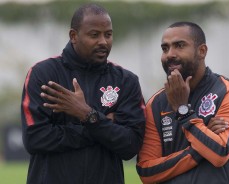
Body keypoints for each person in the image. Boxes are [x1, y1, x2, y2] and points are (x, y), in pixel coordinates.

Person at [21, 3, 145, 184]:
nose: (103, 41)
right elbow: (35, 139)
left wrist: (88, 115)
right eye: (94, 35)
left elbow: (130, 145)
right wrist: (102, 125)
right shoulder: (43, 74)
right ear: (74, 36)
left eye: (108, 34)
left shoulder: (126, 81)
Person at [136, 21, 229, 184]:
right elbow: (147, 171)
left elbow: (220, 152)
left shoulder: (227, 91)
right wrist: (200, 149)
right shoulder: (156, 104)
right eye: (165, 48)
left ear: (202, 51)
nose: (170, 54)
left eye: (179, 46)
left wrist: (183, 111)